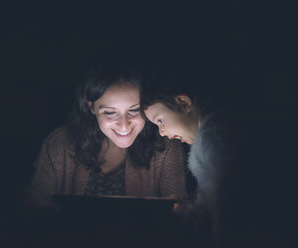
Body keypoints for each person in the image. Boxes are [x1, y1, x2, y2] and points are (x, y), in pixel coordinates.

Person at [29, 64, 188, 209]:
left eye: (134, 110)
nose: (124, 125)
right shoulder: (59, 145)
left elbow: (181, 213)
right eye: (110, 113)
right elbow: (34, 208)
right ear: (91, 107)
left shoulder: (165, 147)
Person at [140, 75, 244, 247]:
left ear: (184, 103)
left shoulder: (214, 133)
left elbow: (226, 195)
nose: (161, 132)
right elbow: (209, 190)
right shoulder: (205, 137)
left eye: (160, 121)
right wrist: (193, 212)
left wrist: (221, 236)